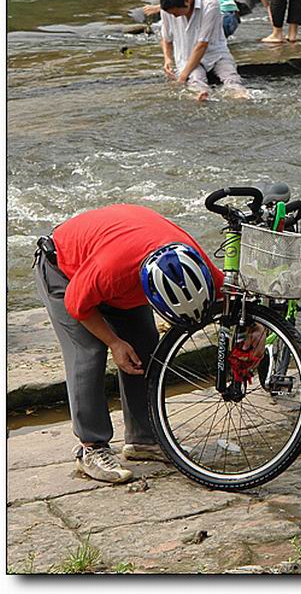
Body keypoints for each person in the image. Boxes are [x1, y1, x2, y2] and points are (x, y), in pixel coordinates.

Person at [33, 203, 224, 484]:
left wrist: (253, 331)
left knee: (145, 343)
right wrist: (113, 342)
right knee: (89, 350)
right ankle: (90, 448)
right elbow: (77, 305)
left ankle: (143, 440)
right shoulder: (113, 270)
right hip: (63, 270)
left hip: (116, 267)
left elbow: (226, 298)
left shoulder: (193, 259)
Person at [159, 0, 248, 102]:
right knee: (196, 80)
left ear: (186, 1)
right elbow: (166, 38)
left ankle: (240, 95)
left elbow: (202, 44)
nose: (174, 17)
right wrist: (168, 59)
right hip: (187, 57)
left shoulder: (210, 4)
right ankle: (201, 95)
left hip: (216, 52)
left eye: (176, 13)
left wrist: (181, 78)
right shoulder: (166, 9)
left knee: (231, 77)